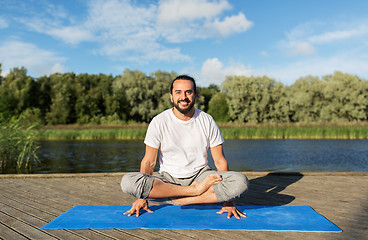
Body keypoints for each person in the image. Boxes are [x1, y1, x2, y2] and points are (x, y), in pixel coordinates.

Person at [121, 75, 249, 219]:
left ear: (195, 95)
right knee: (128, 182)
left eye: (188, 92)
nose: (183, 97)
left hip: (201, 176)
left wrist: (228, 201)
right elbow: (149, 162)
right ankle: (194, 192)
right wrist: (141, 198)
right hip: (168, 180)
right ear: (171, 97)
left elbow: (219, 161)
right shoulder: (159, 121)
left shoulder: (207, 120)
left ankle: (182, 199)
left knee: (240, 182)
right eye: (178, 92)